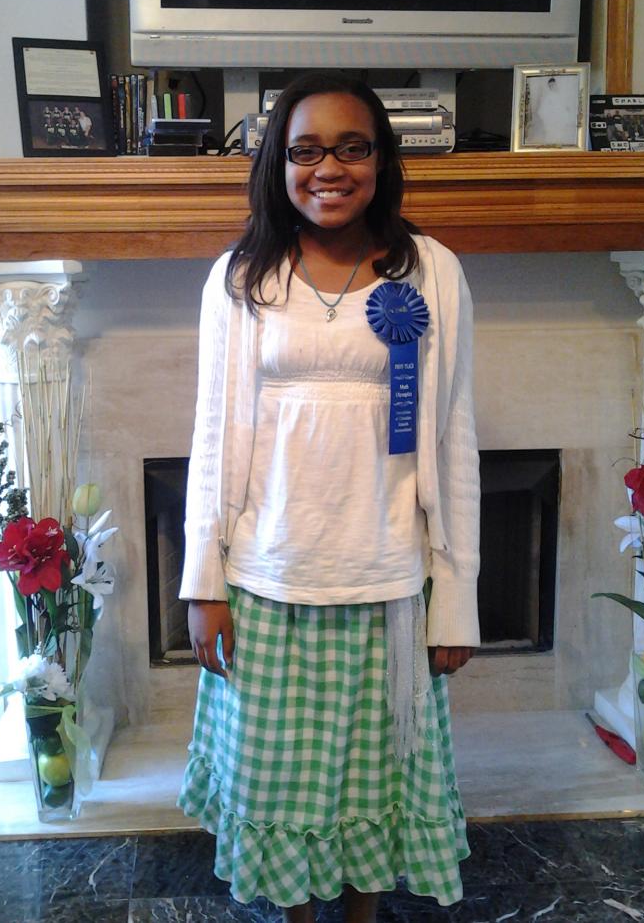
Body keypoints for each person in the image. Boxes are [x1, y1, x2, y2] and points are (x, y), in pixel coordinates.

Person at [177, 72, 480, 923]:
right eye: (306, 150)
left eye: (353, 147)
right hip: (269, 581)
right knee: (279, 787)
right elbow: (213, 435)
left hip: (389, 582)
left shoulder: (432, 271)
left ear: (381, 159)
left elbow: (453, 435)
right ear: (278, 163)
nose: (329, 168)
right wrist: (204, 581)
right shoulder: (241, 277)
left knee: (377, 785)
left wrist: (455, 597)